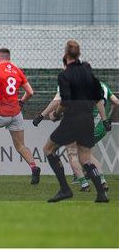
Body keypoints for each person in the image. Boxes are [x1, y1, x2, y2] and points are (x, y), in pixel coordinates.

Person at [42, 40, 111, 203]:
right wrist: (105, 119)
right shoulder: (87, 71)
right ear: (78, 54)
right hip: (88, 119)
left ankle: (65, 189)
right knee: (85, 158)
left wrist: (55, 115)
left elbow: (64, 101)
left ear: (66, 55)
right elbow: (98, 97)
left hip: (72, 118)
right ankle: (101, 194)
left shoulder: (65, 75)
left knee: (48, 149)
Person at [0, 48, 41, 184]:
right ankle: (34, 167)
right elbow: (30, 92)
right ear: (9, 58)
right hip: (16, 113)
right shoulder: (17, 70)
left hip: (0, 113)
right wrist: (22, 102)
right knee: (20, 145)